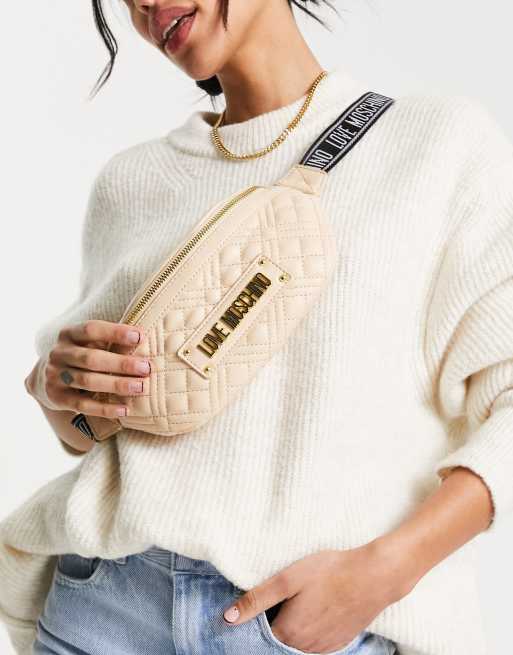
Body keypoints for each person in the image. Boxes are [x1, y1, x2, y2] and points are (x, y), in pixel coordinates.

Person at [1, 0, 512, 654]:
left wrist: (382, 574)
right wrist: (63, 394)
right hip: (105, 611)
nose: (144, 5)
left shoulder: (437, 144)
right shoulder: (130, 183)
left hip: (302, 626)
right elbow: (94, 427)